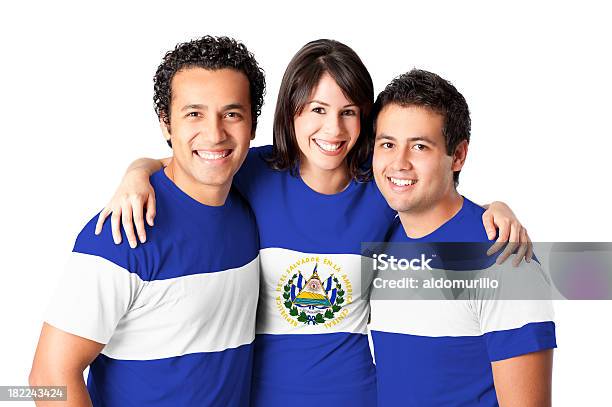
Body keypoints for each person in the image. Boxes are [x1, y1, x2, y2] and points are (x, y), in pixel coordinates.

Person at [95, 40, 531, 406]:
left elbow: (431, 192)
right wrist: (137, 171)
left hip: (357, 395)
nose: (333, 128)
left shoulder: (379, 185)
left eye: (348, 112)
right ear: (292, 113)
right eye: (317, 110)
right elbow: (191, 164)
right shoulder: (255, 172)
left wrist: (497, 208)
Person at [29, 36, 265, 406]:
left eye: (231, 114)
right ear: (166, 124)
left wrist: (141, 166)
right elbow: (49, 376)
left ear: (252, 125)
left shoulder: (252, 203)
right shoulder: (122, 232)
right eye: (194, 114)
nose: (215, 133)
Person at [369, 69, 556, 406]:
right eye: (387, 144)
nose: (399, 163)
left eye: (420, 147)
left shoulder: (505, 262)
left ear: (457, 156)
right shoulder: (380, 238)